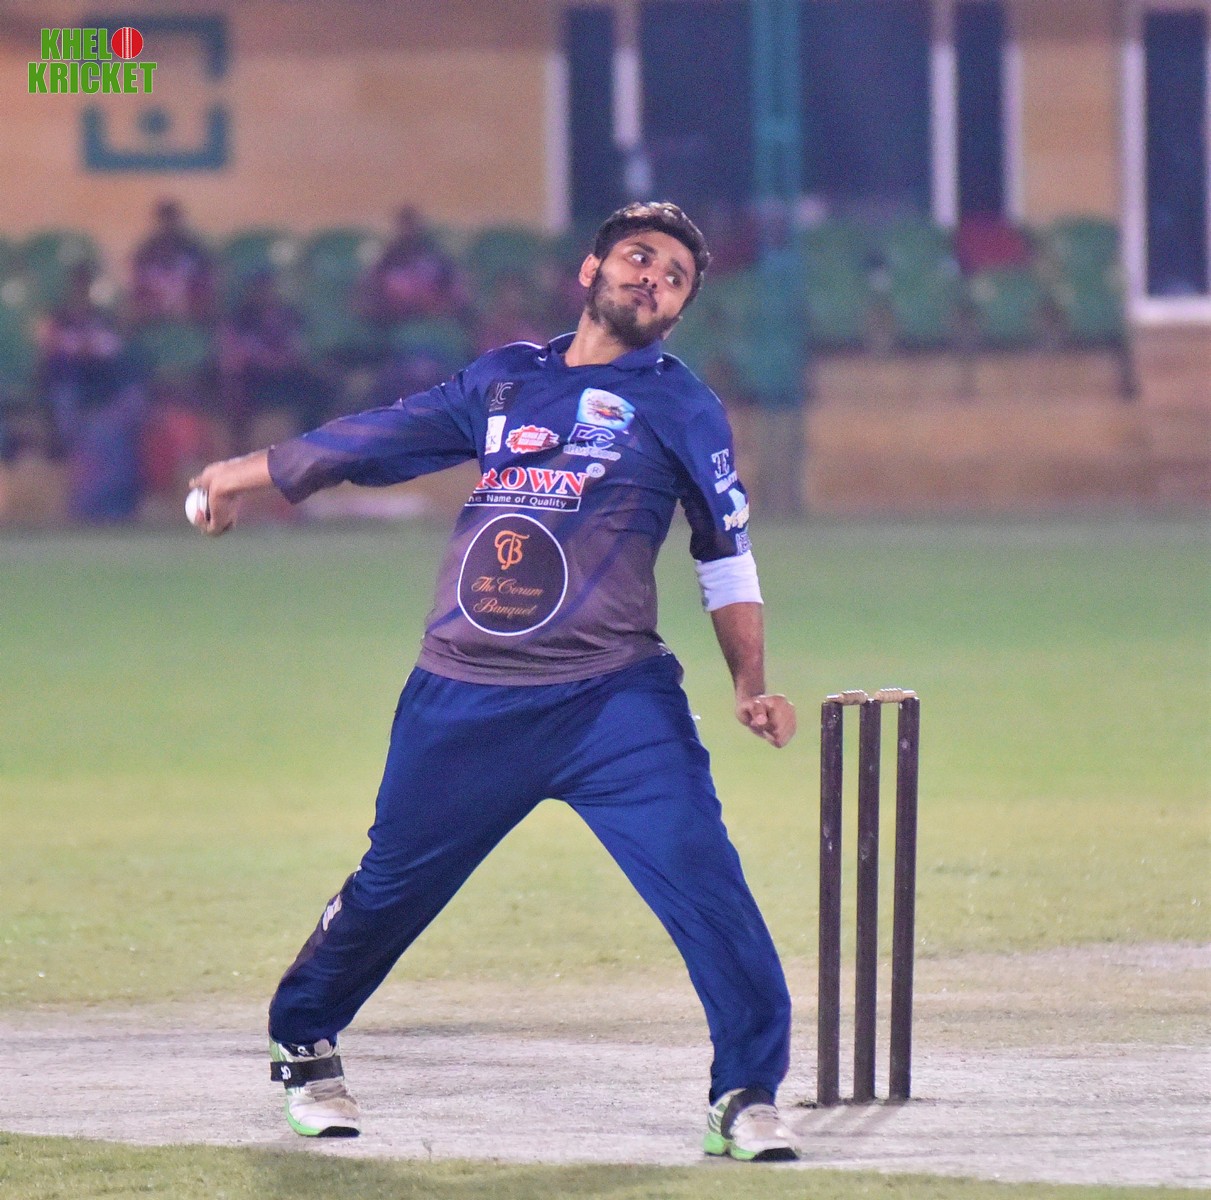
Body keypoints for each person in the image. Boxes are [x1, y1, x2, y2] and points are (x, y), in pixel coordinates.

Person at [190, 202, 799, 1162]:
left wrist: (748, 682)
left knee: (704, 879)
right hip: (464, 698)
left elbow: (725, 552)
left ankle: (745, 1092)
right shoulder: (506, 379)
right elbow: (380, 437)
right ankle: (303, 1043)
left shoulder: (681, 405)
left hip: (612, 700)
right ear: (591, 270)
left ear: (681, 309)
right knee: (390, 889)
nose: (652, 277)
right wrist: (243, 474)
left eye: (675, 276)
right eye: (638, 258)